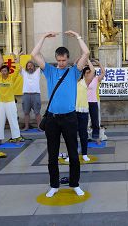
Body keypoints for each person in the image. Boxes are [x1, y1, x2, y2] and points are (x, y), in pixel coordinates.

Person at [31, 30, 89, 198]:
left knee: (73, 153)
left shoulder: (74, 72)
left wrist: (78, 36)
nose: (62, 63)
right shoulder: (49, 70)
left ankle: (75, 184)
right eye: (59, 60)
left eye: (64, 60)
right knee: (53, 154)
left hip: (70, 118)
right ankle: (54, 185)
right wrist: (42, 37)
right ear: (56, 59)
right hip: (52, 119)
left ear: (68, 59)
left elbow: (86, 53)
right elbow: (34, 54)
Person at [65, 59, 96, 163]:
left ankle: (84, 154)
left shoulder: (85, 81)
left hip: (83, 112)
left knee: (83, 134)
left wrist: (86, 59)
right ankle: (71, 154)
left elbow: (92, 71)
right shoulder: (71, 82)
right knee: (71, 135)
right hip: (72, 111)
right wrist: (76, 63)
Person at [0, 56, 21, 144]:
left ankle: (16, 138)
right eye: (2, 71)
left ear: (8, 71)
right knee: (0, 121)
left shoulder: (11, 78)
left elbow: (17, 69)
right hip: (1, 102)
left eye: (5, 71)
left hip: (10, 102)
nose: (3, 72)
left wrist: (17, 59)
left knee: (13, 120)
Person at [19, 55, 42, 131]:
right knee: (26, 112)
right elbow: (18, 65)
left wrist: (40, 55)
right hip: (26, 95)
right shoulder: (24, 73)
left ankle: (39, 127)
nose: (30, 67)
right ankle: (26, 127)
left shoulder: (38, 72)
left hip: (36, 95)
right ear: (26, 67)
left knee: (37, 112)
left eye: (31, 66)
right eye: (28, 66)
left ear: (34, 67)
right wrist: (19, 56)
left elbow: (42, 63)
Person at [87, 59, 105, 144]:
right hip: (85, 102)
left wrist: (98, 63)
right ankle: (87, 136)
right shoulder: (84, 80)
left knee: (96, 120)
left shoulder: (96, 79)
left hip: (95, 101)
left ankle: (97, 137)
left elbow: (103, 72)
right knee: (87, 120)